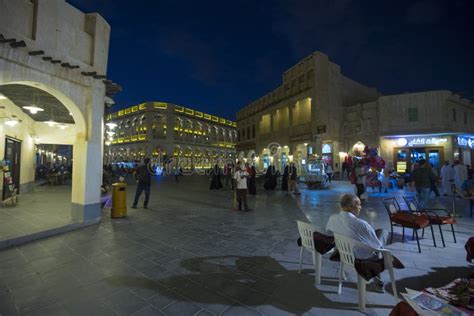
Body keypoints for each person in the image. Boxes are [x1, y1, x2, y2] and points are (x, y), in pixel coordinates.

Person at [326, 194, 389, 293]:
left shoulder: (333, 218)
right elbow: (376, 246)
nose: (361, 207)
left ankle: (378, 280)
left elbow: (329, 234)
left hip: (343, 252)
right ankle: (378, 282)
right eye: (358, 204)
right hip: (359, 256)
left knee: (379, 232)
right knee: (383, 234)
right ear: (350, 206)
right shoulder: (361, 224)